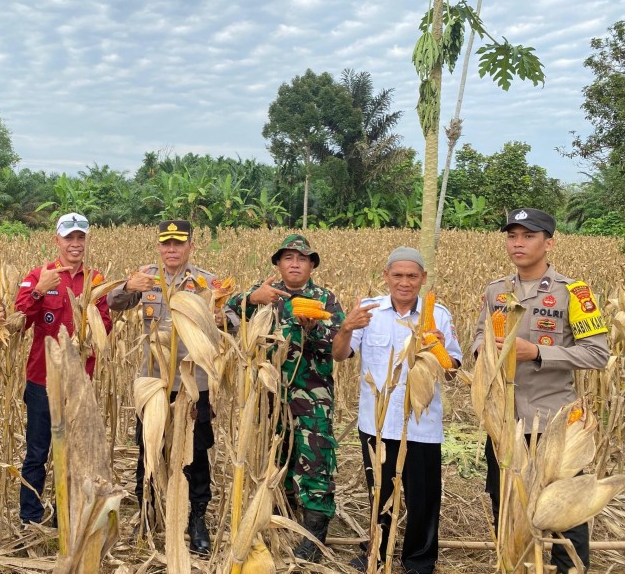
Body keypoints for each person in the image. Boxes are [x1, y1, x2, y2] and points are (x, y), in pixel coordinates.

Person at [472, 208, 609, 573]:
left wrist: (536, 353)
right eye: (512, 236)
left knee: (567, 513)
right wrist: (483, 352)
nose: (518, 244)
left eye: (528, 236)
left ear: (548, 242)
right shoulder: (496, 290)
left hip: (553, 421)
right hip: (503, 421)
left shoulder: (573, 293)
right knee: (505, 505)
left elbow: (598, 353)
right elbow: (477, 337)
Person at [108, 220, 237, 556]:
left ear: (190, 246)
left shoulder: (205, 282)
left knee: (195, 455)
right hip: (154, 383)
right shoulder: (146, 278)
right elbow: (113, 302)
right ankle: (148, 513)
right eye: (166, 244)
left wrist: (222, 318)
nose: (171, 250)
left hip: (194, 385)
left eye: (178, 244)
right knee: (149, 449)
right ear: (159, 246)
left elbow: (234, 322)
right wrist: (127, 285)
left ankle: (196, 521)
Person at [334, 246, 462, 574]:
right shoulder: (368, 310)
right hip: (376, 424)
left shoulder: (441, 316)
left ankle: (419, 561)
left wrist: (436, 349)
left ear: (423, 278)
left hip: (422, 424)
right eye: (398, 275)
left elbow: (452, 370)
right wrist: (346, 327)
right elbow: (339, 355)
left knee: (423, 498)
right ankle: (376, 553)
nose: (404, 282)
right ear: (386, 276)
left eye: (412, 276)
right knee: (380, 494)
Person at [226, 234, 349, 564]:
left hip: (311, 395)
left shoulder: (325, 299)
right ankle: (280, 515)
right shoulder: (266, 295)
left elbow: (339, 346)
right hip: (268, 395)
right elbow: (224, 317)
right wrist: (251, 298)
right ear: (278, 264)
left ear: (311, 265)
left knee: (315, 459)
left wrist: (311, 328)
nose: (294, 263)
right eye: (288, 258)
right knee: (275, 456)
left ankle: (314, 533)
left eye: (302, 259)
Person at [15, 212, 112, 526]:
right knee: (38, 452)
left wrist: (88, 335)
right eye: (68, 237)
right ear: (56, 240)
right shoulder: (38, 275)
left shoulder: (95, 280)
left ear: (86, 241)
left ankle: (64, 515)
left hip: (79, 382)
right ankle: (29, 516)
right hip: (42, 379)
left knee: (74, 452)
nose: (74, 244)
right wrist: (40, 290)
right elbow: (20, 320)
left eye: (80, 237)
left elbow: (104, 327)